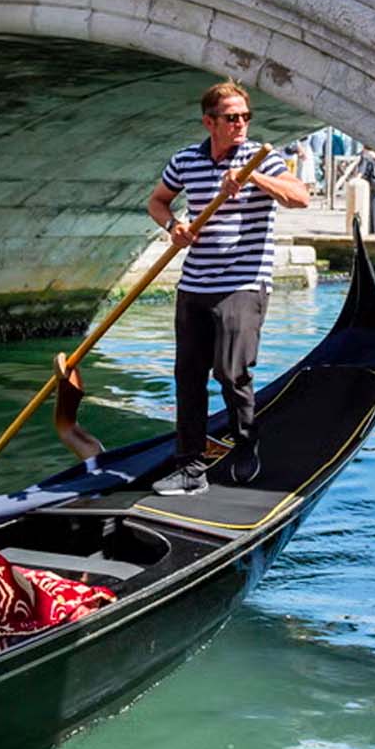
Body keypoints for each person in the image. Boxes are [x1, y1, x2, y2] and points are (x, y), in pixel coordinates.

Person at [145, 82, 308, 497]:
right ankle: (190, 466)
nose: (241, 124)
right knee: (188, 376)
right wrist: (174, 226)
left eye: (245, 117)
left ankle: (246, 445)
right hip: (195, 283)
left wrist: (253, 179)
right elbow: (157, 201)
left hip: (244, 282)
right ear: (209, 122)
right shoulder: (185, 160)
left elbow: (299, 197)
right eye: (232, 118)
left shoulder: (263, 159)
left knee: (231, 372)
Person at [356, 146, 375, 235]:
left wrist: (355, 180)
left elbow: (362, 171)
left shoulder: (365, 156)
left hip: (368, 184)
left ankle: (369, 227)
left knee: (368, 206)